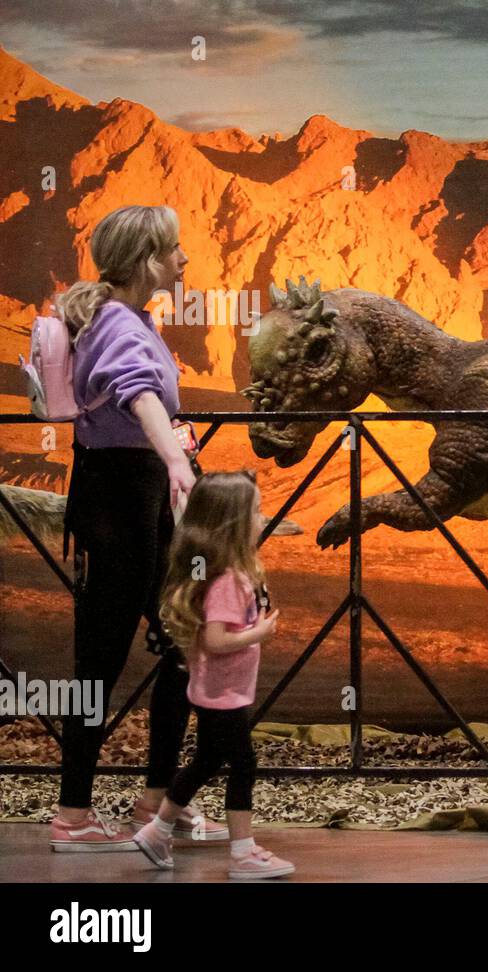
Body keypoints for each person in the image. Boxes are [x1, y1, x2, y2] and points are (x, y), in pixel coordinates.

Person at [49, 204, 227, 850]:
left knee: (182, 637)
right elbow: (139, 395)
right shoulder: (118, 324)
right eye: (175, 249)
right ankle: (74, 814)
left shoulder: (125, 319)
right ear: (148, 261)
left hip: (134, 493)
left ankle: (156, 801)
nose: (184, 260)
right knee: (103, 656)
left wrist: (171, 463)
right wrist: (178, 462)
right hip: (124, 496)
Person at [134, 470, 293, 879]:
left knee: (205, 761)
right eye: (256, 512)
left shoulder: (235, 574)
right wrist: (259, 632)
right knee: (243, 765)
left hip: (223, 691)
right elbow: (217, 639)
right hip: (222, 695)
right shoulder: (227, 582)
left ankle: (158, 828)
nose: (263, 519)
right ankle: (243, 852)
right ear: (233, 523)